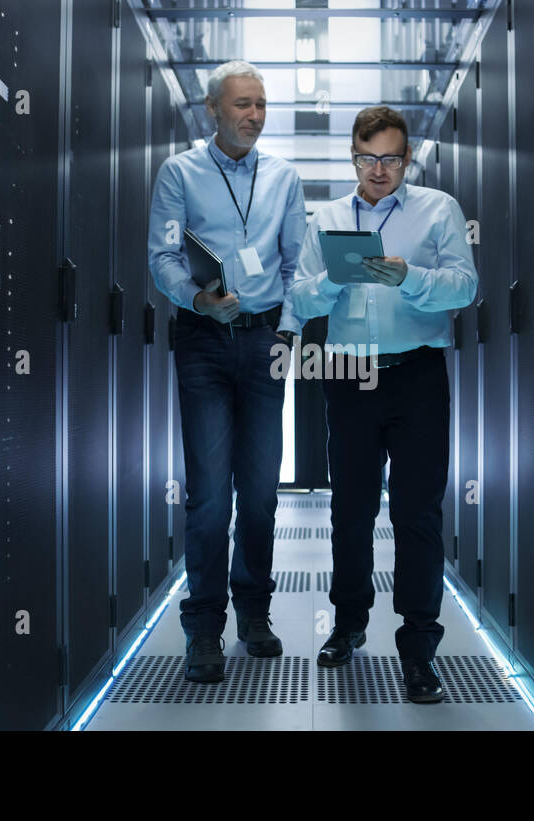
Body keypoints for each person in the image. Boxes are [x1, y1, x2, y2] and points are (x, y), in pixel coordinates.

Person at [288, 106, 478, 702]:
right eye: (368, 158)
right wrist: (333, 283)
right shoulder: (327, 218)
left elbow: (465, 287)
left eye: (391, 158)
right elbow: (299, 299)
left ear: (407, 158)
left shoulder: (438, 209)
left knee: (417, 514)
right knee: (350, 508)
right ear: (353, 156)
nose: (379, 170)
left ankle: (419, 647)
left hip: (417, 373)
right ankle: (348, 626)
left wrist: (410, 278)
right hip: (348, 374)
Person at [147, 60, 306, 683]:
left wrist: (289, 330)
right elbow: (162, 255)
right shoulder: (180, 172)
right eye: (243, 104)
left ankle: (255, 616)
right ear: (212, 110)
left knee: (261, 493)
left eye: (261, 104)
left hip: (265, 339)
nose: (254, 115)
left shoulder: (284, 177)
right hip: (203, 342)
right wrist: (196, 298)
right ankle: (204, 628)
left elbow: (296, 265)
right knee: (211, 496)